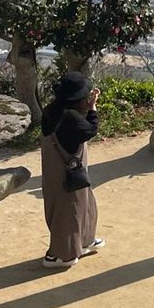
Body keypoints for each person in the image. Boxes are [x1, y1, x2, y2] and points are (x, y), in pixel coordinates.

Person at [39, 71, 104, 270]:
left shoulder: (52, 110)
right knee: (69, 213)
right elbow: (90, 130)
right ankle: (62, 255)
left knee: (84, 204)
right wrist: (93, 109)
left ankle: (85, 241)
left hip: (55, 170)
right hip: (68, 172)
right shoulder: (71, 117)